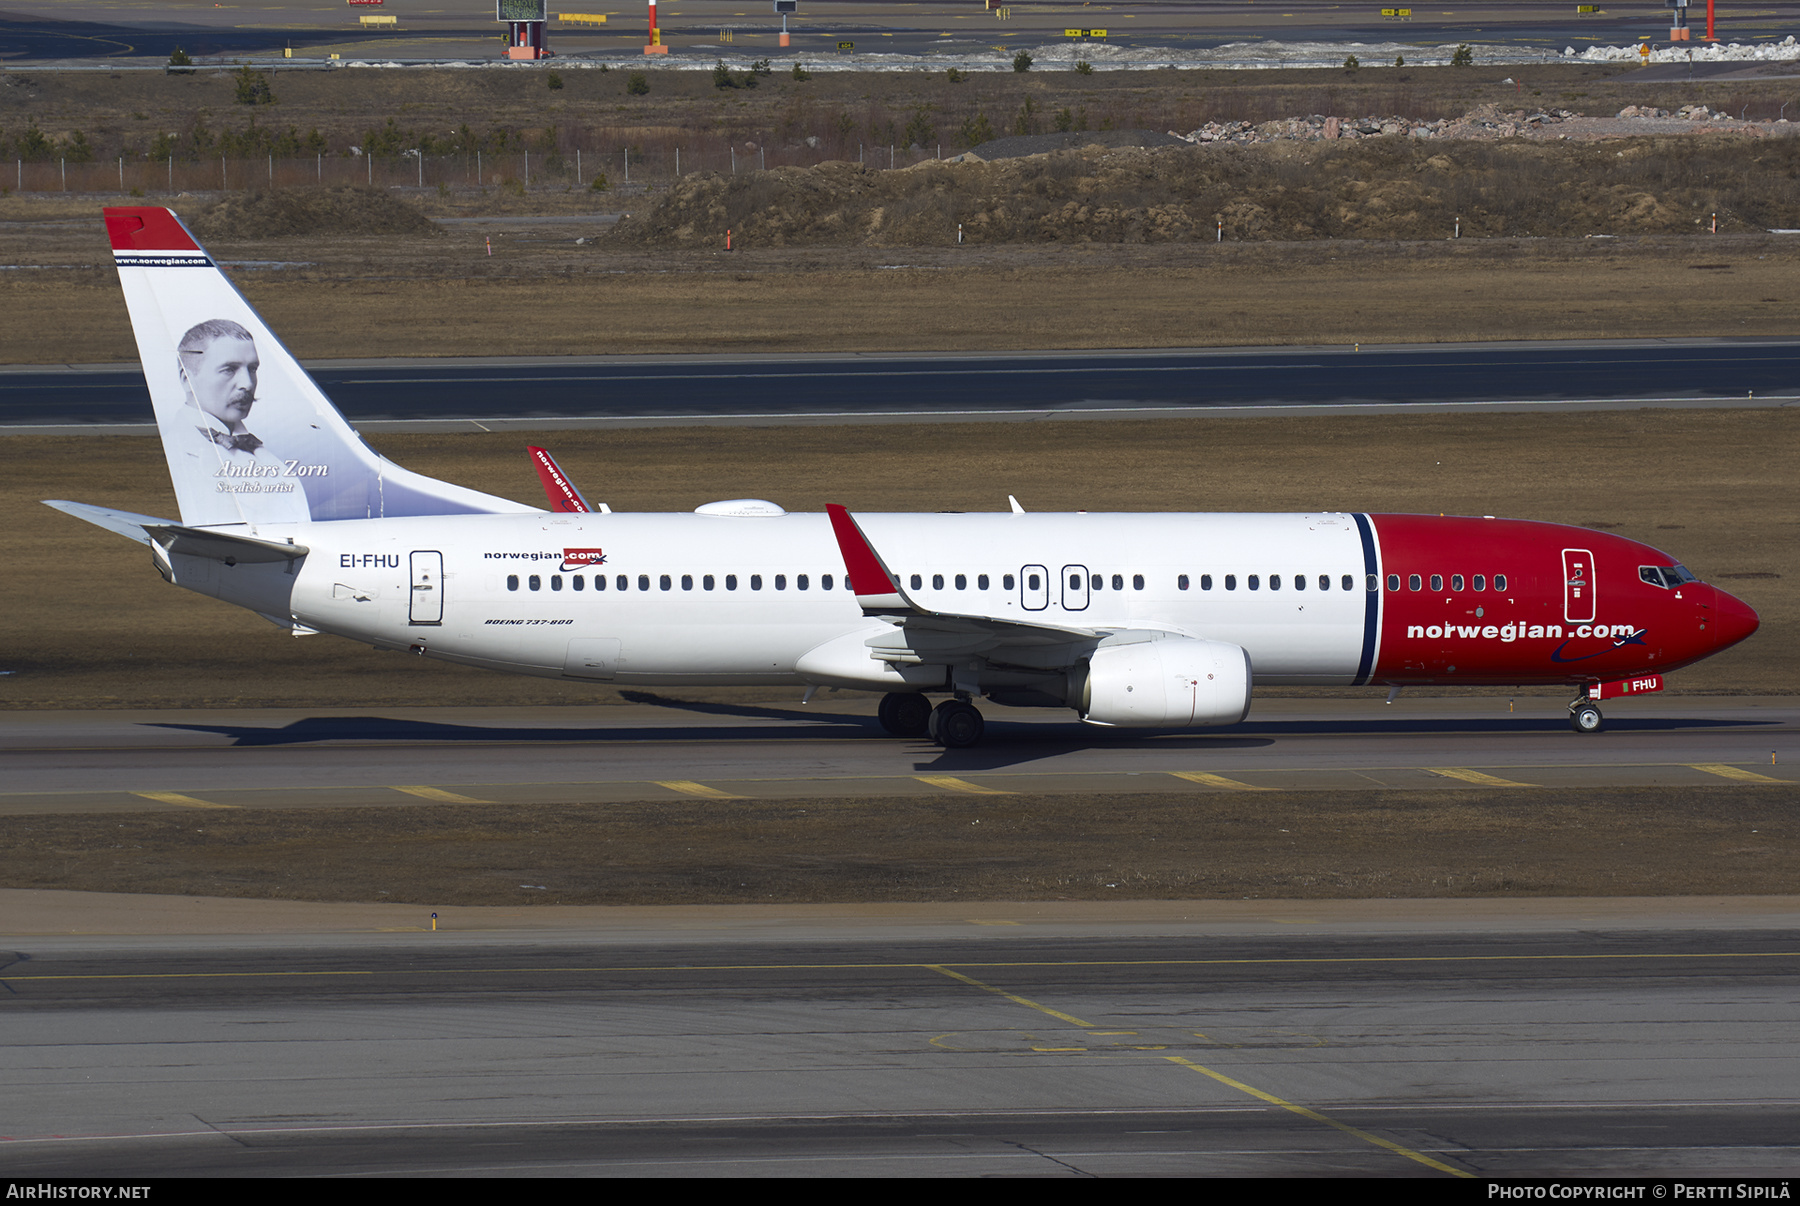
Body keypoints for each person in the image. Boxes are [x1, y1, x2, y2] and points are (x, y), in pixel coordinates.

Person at [176, 318, 310, 523]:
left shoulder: (266, 456)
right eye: (229, 369)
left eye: (252, 369)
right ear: (187, 379)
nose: (247, 384)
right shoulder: (180, 455)